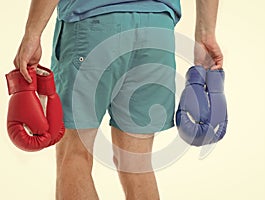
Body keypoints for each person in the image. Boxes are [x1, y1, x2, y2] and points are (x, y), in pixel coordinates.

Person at [13, 0, 223, 199]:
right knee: (137, 163)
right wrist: (206, 34)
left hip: (92, 23)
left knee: (75, 154)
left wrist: (32, 33)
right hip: (157, 29)